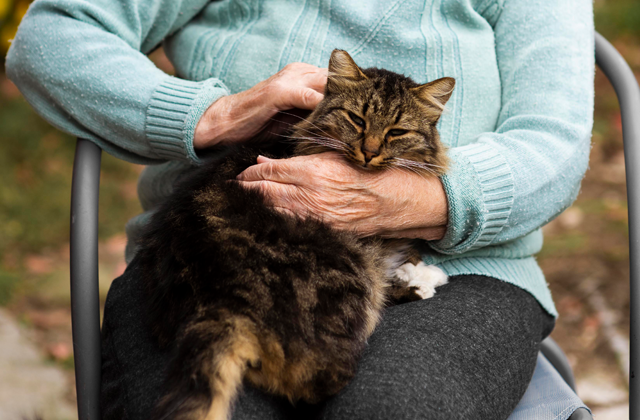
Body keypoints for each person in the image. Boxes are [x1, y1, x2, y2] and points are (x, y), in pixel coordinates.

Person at [5, 0, 594, 418]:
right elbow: (53, 36)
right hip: (210, 257)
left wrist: (406, 203)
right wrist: (208, 115)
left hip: (456, 276)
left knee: (393, 408)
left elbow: (555, 141)